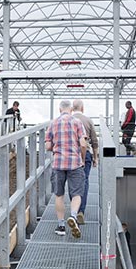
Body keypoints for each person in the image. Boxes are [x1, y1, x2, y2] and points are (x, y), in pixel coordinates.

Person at [45, 100, 87, 238]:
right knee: (76, 194)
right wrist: (81, 158)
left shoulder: (53, 123)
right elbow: (83, 144)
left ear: (59, 109)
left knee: (59, 195)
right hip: (75, 163)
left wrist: (55, 146)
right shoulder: (77, 122)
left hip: (58, 163)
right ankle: (74, 217)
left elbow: (47, 147)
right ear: (71, 110)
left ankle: (61, 226)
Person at [71, 99, 98, 224]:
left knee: (73, 182)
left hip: (71, 155)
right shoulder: (88, 121)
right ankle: (81, 210)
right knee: (85, 180)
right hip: (85, 153)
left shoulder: (68, 120)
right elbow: (94, 141)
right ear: (82, 109)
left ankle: (74, 211)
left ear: (72, 108)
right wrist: (95, 157)